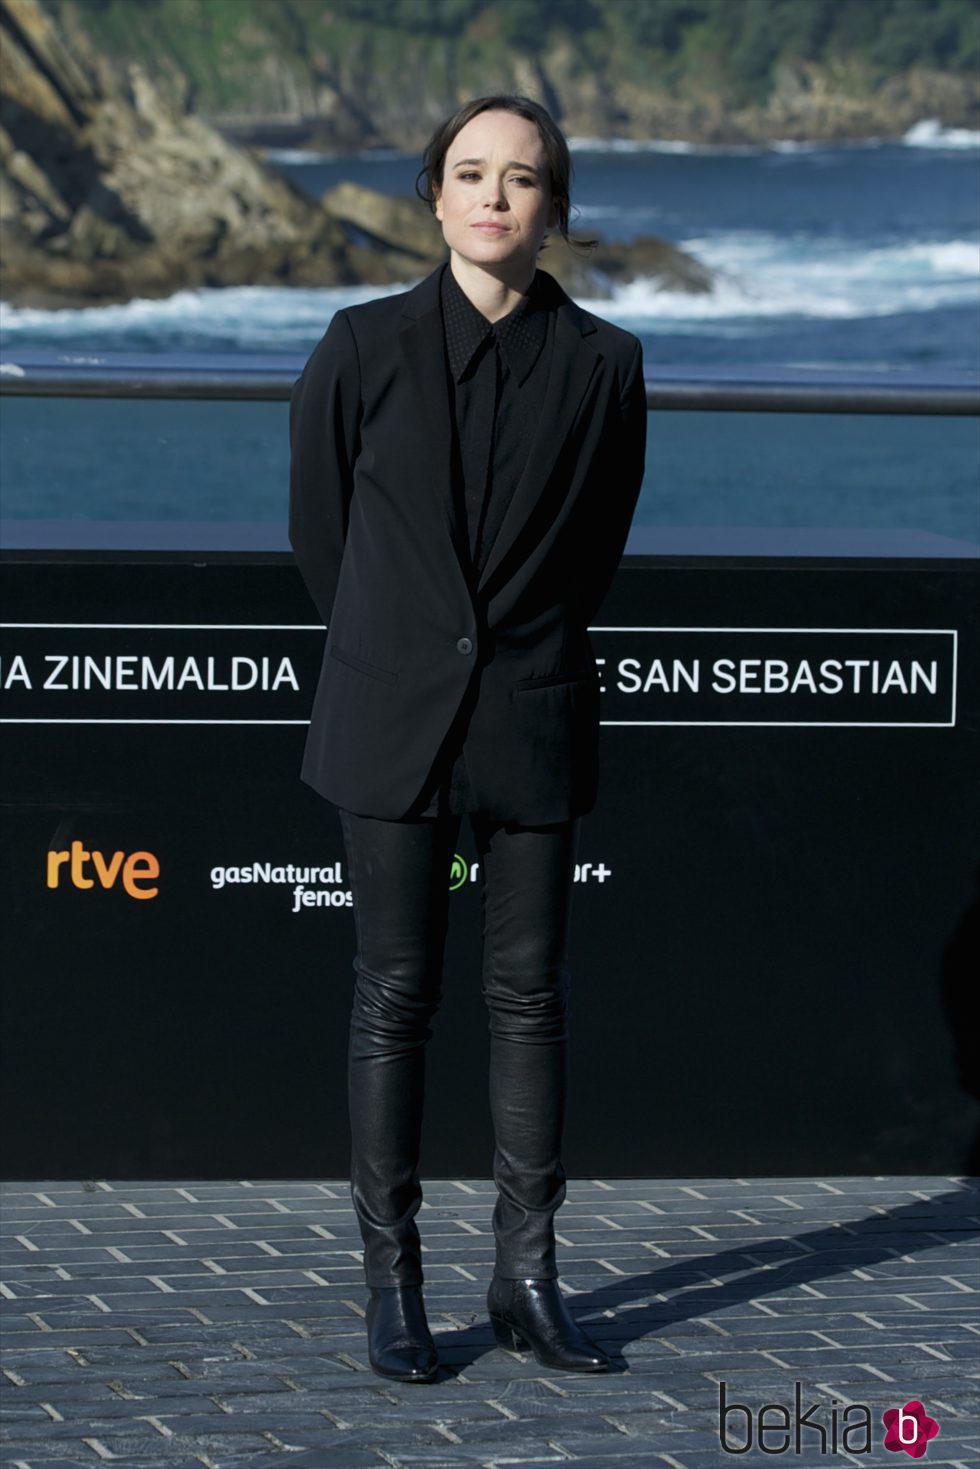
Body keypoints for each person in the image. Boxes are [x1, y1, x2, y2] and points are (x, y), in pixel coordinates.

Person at [289, 94, 647, 1383]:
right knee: (393, 998)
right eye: (470, 174)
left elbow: (593, 550)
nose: (495, 197)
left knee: (531, 1001)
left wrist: (507, 662)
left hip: (534, 718)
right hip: (391, 726)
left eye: (523, 178)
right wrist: (404, 656)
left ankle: (528, 1280)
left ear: (554, 209)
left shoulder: (607, 365)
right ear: (432, 196)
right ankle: (395, 1288)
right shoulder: (360, 346)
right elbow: (324, 536)